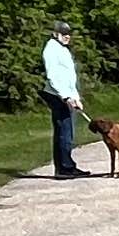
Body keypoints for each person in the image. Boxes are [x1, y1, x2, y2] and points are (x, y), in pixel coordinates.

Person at [39, 20, 93, 179]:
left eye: (69, 33)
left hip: (67, 94)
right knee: (64, 131)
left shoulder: (62, 49)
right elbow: (53, 76)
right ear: (55, 33)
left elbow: (69, 77)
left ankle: (66, 166)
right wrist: (66, 96)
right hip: (57, 95)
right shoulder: (51, 49)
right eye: (64, 34)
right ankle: (64, 168)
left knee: (67, 131)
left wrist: (76, 97)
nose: (67, 36)